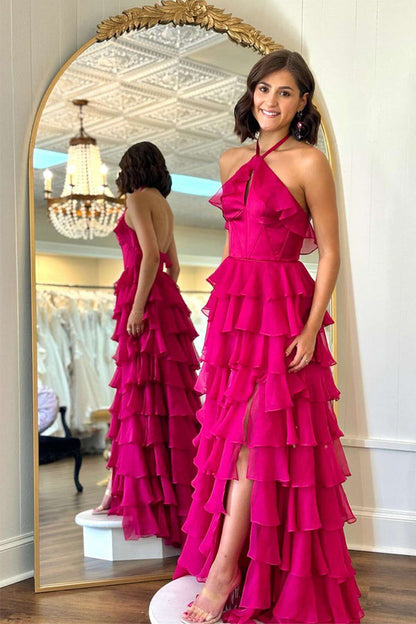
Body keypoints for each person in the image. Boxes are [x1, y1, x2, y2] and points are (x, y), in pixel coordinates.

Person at [174, 50, 365, 623]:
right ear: (251, 93)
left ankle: (225, 573)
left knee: (254, 443)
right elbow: (233, 242)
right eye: (263, 89)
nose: (271, 101)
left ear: (302, 102)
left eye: (285, 92)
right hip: (236, 314)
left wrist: (310, 327)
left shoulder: (310, 162)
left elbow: (329, 253)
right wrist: (221, 311)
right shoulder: (231, 159)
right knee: (232, 443)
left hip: (284, 313)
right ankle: (240, 566)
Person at [93, 142, 201, 548]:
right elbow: (176, 265)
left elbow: (152, 257)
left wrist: (139, 308)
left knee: (139, 398)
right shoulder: (164, 205)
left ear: (131, 168)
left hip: (144, 299)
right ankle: (162, 497)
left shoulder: (137, 199)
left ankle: (127, 493)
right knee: (167, 401)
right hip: (163, 300)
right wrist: (162, 300)